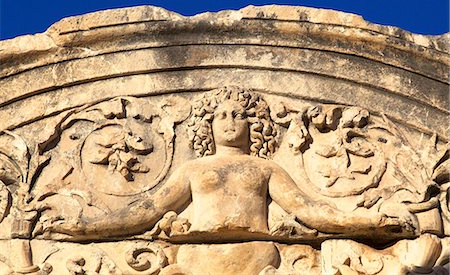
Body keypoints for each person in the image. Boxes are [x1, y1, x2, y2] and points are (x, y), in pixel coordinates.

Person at [46, 87, 407, 238]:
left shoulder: (267, 169)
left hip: (257, 249)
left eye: (239, 114)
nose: (230, 120)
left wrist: (364, 220)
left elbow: (308, 210)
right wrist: (86, 227)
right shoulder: (192, 170)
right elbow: (149, 210)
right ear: (208, 125)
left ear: (256, 124)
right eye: (221, 115)